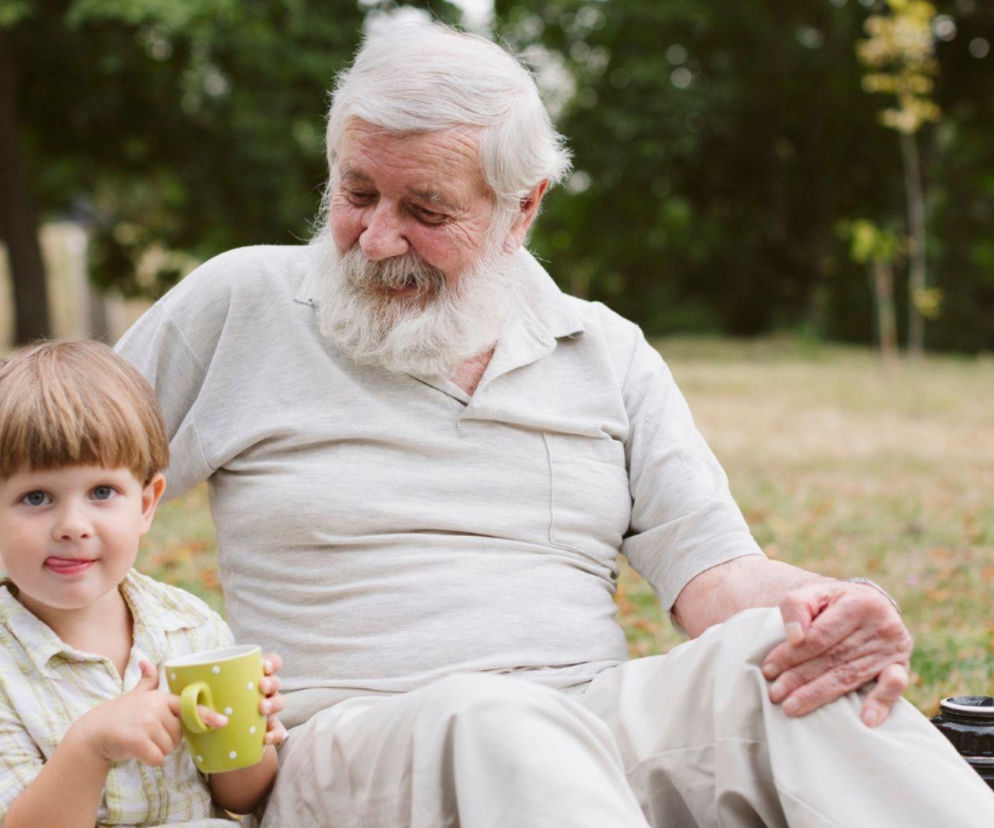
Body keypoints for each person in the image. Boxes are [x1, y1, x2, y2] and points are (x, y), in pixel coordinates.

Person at [116, 21, 994, 828]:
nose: (377, 238)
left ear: (522, 208)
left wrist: (832, 608)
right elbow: (55, 449)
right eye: (358, 192)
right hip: (347, 748)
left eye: (426, 211)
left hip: (588, 726)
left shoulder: (604, 350)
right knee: (497, 718)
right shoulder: (244, 304)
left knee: (786, 664)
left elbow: (718, 574)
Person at [0, 340, 288, 827]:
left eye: (102, 491)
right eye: (36, 498)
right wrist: (90, 746)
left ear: (147, 504)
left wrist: (250, 731)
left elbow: (244, 797)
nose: (73, 526)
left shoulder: (189, 629)